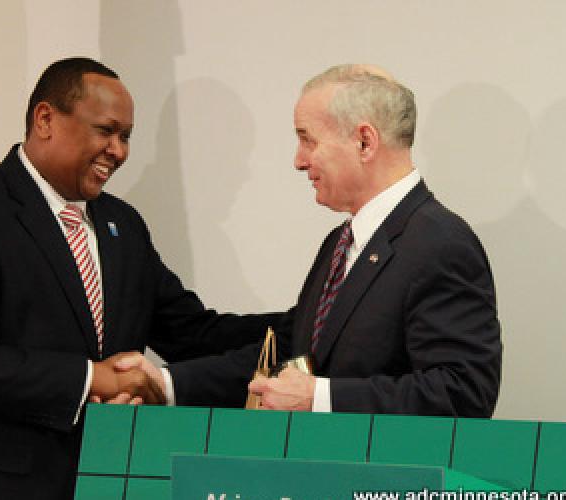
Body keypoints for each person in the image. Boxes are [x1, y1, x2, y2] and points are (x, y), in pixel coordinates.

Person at [0, 57, 275, 500]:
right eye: (106, 131)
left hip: (96, 481)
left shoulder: (123, 226)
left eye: (125, 136)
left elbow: (194, 333)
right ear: (45, 119)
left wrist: (307, 325)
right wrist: (92, 378)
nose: (119, 151)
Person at [132, 64, 501, 417]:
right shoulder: (340, 243)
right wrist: (165, 384)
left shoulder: (440, 243)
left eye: (307, 139)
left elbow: (462, 393)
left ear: (364, 142)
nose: (299, 160)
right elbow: (289, 351)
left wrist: (320, 397)